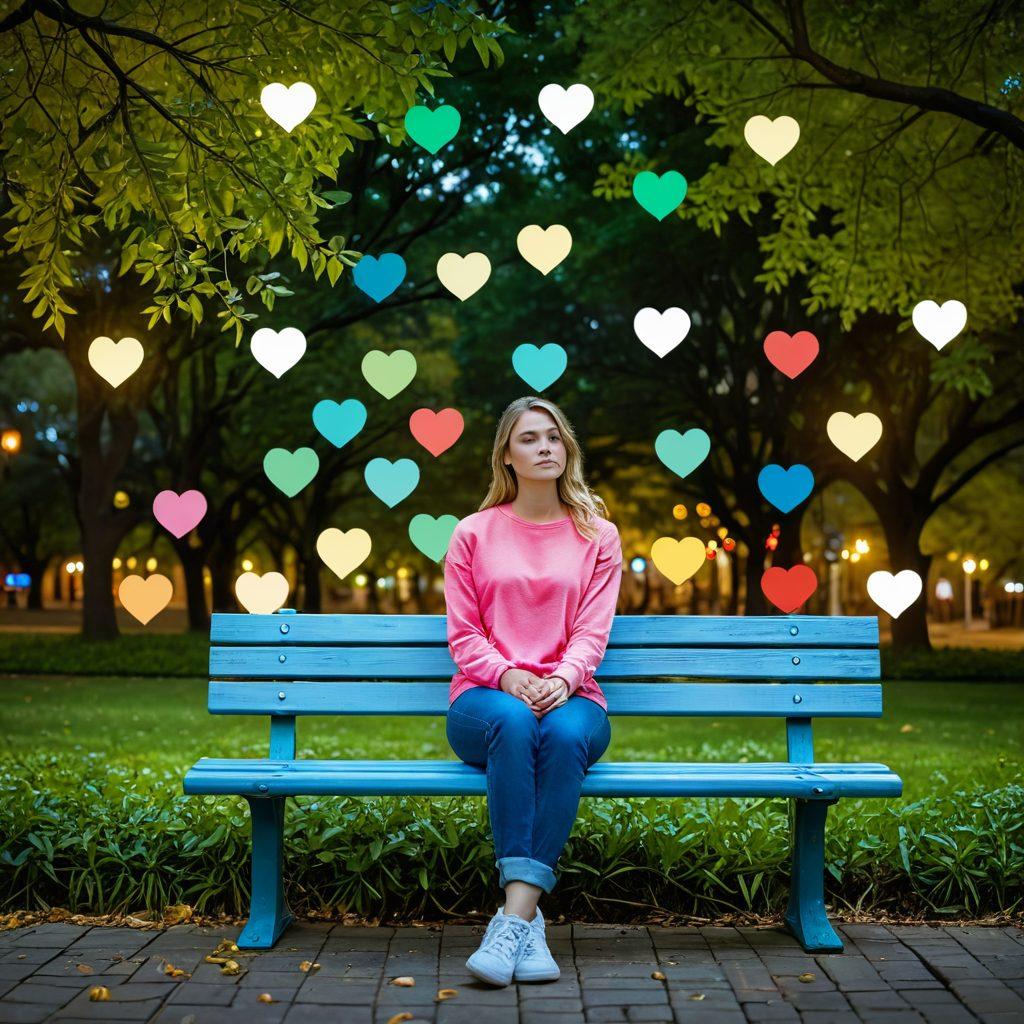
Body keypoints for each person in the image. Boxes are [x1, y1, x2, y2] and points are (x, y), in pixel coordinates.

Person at [443, 395, 623, 986]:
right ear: (507, 457)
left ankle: (514, 923)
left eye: (554, 436)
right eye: (529, 438)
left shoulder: (597, 535)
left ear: (566, 448)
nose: (545, 446)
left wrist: (563, 679)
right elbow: (464, 634)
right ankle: (527, 924)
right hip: (483, 701)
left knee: (565, 732)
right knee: (515, 724)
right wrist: (508, 676)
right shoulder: (473, 533)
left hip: (574, 697)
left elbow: (592, 631)